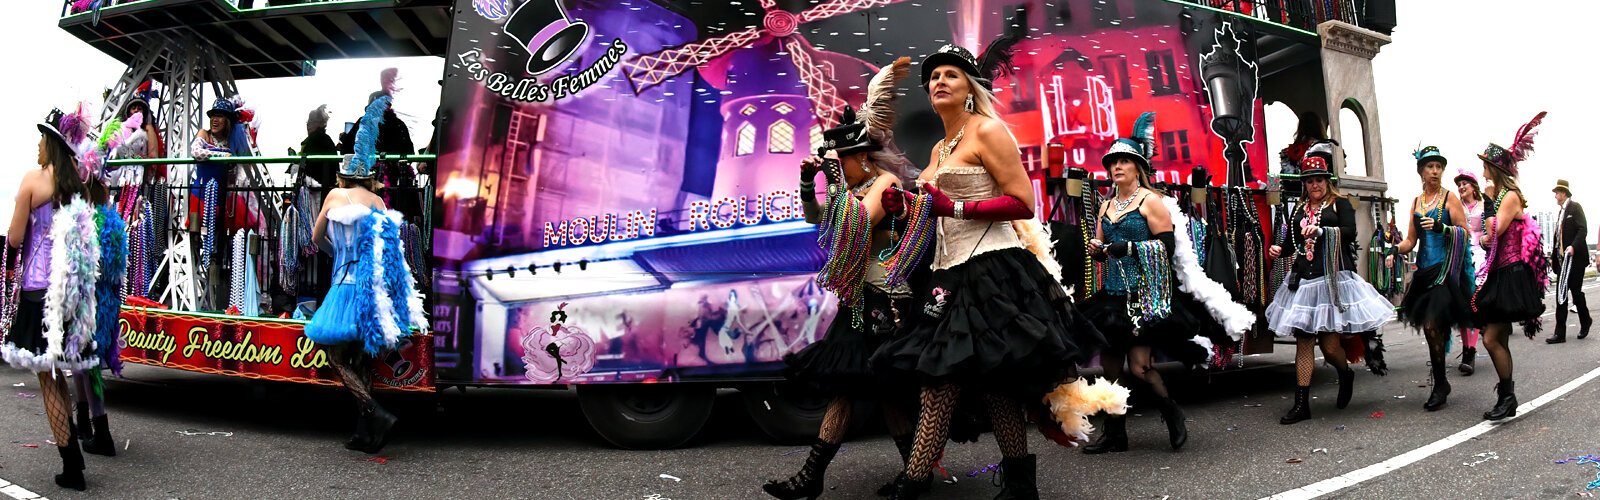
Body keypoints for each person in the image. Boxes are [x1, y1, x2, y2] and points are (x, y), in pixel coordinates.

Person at [872, 44, 1104, 499]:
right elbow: (937, 210)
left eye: (951, 75)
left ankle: (914, 482)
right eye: (934, 75)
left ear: (970, 88)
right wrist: (911, 206)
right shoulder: (940, 146)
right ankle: (1021, 485)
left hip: (991, 270)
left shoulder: (989, 131)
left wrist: (952, 204)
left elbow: (1023, 203)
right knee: (993, 384)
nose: (940, 81)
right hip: (947, 273)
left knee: (941, 379)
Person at [763, 58, 928, 500]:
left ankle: (821, 477)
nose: (839, 165)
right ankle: (907, 473)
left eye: (842, 159)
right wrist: (807, 187)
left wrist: (834, 185)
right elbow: (822, 226)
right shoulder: (853, 189)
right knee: (864, 389)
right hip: (861, 300)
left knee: (874, 391)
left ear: (861, 157)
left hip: (887, 300)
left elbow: (860, 222)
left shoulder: (885, 183)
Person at [1079, 112, 1253, 453]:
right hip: (1112, 299)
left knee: (1141, 368)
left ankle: (1172, 413)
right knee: (1111, 369)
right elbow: (1102, 250)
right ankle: (1115, 434)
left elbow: (1168, 245)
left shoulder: (1150, 201)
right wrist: (1097, 250)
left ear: (1137, 166)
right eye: (1113, 162)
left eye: (1125, 161)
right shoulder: (1105, 207)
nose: (1118, 167)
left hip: (1146, 299)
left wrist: (1128, 247)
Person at [307, 93, 427, 453]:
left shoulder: (332, 196)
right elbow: (390, 253)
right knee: (363, 359)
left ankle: (375, 413)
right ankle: (365, 433)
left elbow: (316, 239)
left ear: (342, 177)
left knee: (335, 354)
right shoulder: (377, 202)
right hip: (371, 289)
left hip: (344, 283)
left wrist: (336, 255)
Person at [2, 107, 105, 491]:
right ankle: (72, 454)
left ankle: (72, 464)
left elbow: (13, 239)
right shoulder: (75, 185)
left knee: (46, 377)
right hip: (69, 293)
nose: (37, 146)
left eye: (41, 140)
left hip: (36, 291)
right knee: (57, 370)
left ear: (52, 144)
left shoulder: (33, 180)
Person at [1266, 152, 1394, 424]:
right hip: (1304, 283)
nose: (1315, 185)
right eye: (1310, 181)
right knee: (1303, 341)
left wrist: (1323, 231)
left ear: (1327, 181)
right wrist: (1280, 249)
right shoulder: (1299, 210)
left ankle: (1345, 373)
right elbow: (1293, 242)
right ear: (1305, 184)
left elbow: (1349, 232)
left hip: (1332, 281)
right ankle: (1301, 404)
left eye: (1319, 180)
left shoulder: (1340, 204)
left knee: (1330, 345)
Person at [1471, 112, 1550, 421]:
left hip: (1512, 275)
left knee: (1491, 338)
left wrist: (1489, 203)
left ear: (1494, 169)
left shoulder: (1509, 196)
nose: (1482, 170)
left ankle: (1508, 396)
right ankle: (1507, 396)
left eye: (1485, 165)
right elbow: (1486, 241)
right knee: (1495, 337)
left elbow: (1493, 234)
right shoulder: (1503, 195)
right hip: (1501, 273)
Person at [1389, 146, 1473, 411]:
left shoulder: (1450, 199)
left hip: (1445, 272)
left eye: (1439, 167)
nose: (1435, 171)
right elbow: (1411, 241)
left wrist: (1442, 227)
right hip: (1424, 273)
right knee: (1431, 330)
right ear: (1421, 171)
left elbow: (1465, 233)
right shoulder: (1416, 202)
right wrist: (1394, 248)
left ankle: (1439, 384)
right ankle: (1441, 381)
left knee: (1431, 325)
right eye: (1430, 167)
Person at [1548, 178, 1589, 343]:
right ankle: (1560, 333)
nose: (1555, 196)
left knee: (1576, 294)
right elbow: (1558, 237)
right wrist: (1553, 258)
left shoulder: (1575, 207)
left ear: (1563, 193)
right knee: (1561, 295)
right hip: (1563, 263)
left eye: (1557, 193)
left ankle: (1586, 321)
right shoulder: (1561, 213)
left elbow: (1583, 229)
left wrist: (1573, 246)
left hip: (1576, 261)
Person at [1454, 168, 1486, 375]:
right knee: (1463, 307)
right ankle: (1467, 349)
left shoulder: (1485, 206)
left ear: (1473, 186)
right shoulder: (1455, 207)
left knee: (1473, 304)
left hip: (1481, 257)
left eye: (1465, 183)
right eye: (1459, 184)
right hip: (1461, 257)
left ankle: (1470, 351)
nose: (1461, 187)